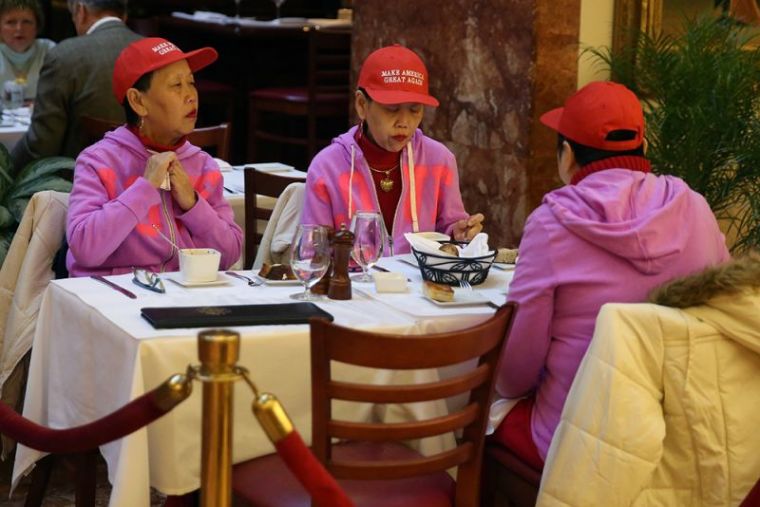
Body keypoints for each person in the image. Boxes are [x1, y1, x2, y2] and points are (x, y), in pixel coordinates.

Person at [492, 81, 731, 470]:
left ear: (567, 155)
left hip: (579, 444)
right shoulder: (697, 208)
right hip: (685, 438)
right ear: (644, 146)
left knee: (476, 418)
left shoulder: (552, 224)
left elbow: (515, 376)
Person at [65, 37, 242, 276]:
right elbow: (85, 249)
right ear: (138, 102)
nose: (191, 96)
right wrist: (144, 188)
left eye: (191, 83)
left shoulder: (203, 165)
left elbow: (230, 254)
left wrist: (192, 203)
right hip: (114, 298)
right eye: (176, 85)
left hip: (180, 297)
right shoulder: (99, 161)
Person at [300, 44, 483, 254]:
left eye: (415, 110)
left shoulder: (439, 160)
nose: (404, 122)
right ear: (361, 105)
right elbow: (311, 251)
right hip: (354, 283)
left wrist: (459, 234)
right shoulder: (327, 167)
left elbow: (449, 229)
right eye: (392, 109)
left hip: (418, 284)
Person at [10, 0, 141, 174]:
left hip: (78, 183)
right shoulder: (157, 51)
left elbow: (42, 145)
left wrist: (8, 167)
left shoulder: (64, 55)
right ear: (124, 15)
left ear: (80, 11)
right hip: (151, 178)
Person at [0, 0, 55, 101]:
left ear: (37, 27)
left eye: (26, 22)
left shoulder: (50, 51)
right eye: (11, 22)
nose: (19, 28)